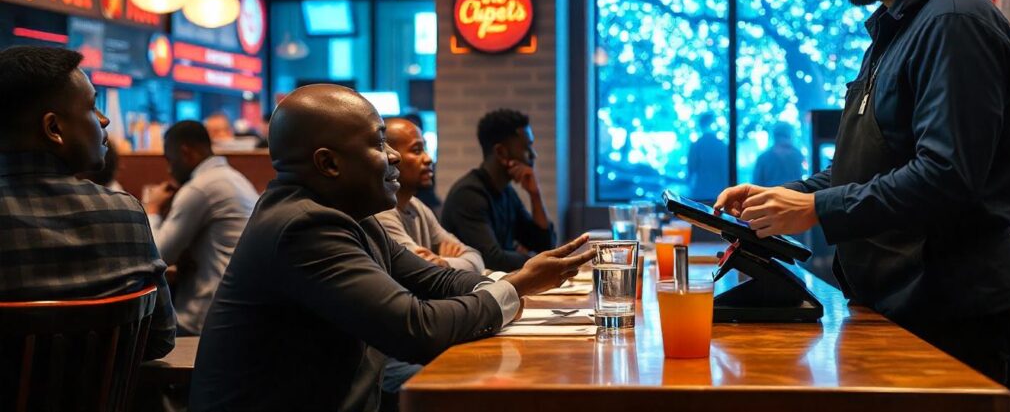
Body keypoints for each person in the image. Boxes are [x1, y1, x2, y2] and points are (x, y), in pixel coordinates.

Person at [716, 0, 1010, 395]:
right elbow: (864, 167)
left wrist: (814, 210)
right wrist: (782, 196)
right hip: (908, 307)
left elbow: (947, 176)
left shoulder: (953, 21)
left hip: (961, 314)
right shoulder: (900, 26)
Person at [189, 85, 594, 412]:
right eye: (380, 142)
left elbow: (436, 279)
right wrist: (515, 288)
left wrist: (514, 281)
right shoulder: (303, 226)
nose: (395, 155)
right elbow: (414, 329)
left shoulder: (350, 214)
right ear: (330, 164)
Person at [0, 46, 175, 360]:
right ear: (54, 129)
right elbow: (160, 339)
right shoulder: (124, 214)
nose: (104, 120)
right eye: (93, 107)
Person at [144, 120, 257, 335]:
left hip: (204, 319)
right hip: (237, 309)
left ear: (185, 153)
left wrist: (153, 208)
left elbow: (157, 255)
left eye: (170, 160)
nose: (169, 169)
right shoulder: (235, 178)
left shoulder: (200, 188)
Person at [440, 109, 556, 272]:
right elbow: (492, 259)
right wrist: (535, 260)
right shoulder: (468, 194)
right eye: (527, 148)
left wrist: (534, 194)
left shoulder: (506, 192)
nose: (533, 155)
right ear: (501, 152)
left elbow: (545, 245)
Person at [376, 117, 483, 273]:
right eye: (417, 150)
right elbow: (422, 271)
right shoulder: (382, 213)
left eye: (425, 149)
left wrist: (443, 262)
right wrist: (450, 262)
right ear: (391, 158)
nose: (428, 158)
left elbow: (475, 257)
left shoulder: (417, 206)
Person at [686, 112, 729, 202]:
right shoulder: (722, 146)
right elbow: (726, 171)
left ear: (701, 126)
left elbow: (691, 169)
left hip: (701, 193)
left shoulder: (696, 145)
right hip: (719, 193)